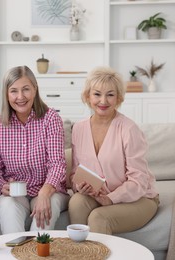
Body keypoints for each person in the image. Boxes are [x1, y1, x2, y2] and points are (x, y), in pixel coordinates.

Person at [68, 66, 159, 235]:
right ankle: (79, 253)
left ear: (118, 98)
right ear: (88, 96)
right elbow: (75, 173)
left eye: (110, 95)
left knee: (98, 218)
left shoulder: (128, 129)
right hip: (98, 194)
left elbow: (139, 180)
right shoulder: (78, 128)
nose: (103, 101)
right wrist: (80, 187)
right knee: (76, 202)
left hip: (138, 198)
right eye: (97, 94)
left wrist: (110, 199)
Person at [0, 65, 69, 234]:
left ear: (35, 89)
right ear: (6, 94)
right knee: (8, 206)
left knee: (49, 206)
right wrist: (3, 186)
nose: (20, 97)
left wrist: (45, 193)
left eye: (26, 89)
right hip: (15, 194)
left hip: (48, 189)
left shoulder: (50, 118)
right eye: (14, 91)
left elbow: (57, 164)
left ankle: (36, 252)